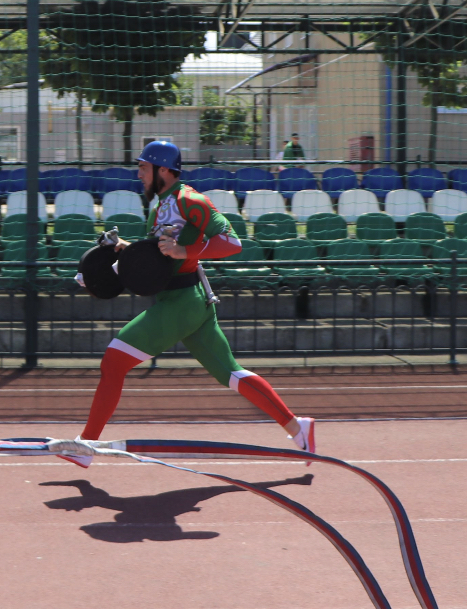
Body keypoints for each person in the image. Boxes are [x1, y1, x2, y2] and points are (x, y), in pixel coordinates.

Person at [69, 140, 314, 465]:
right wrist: (118, 251)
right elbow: (158, 257)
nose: (138, 173)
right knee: (232, 374)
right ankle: (299, 427)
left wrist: (185, 251)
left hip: (183, 302)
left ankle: (85, 446)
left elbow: (231, 242)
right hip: (188, 300)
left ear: (164, 170)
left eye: (144, 167)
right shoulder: (160, 205)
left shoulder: (189, 199)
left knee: (113, 362)